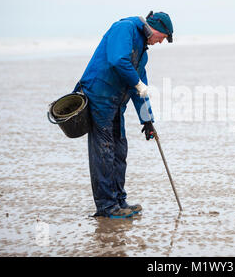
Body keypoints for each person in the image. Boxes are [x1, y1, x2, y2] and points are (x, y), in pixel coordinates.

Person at [73, 11, 174, 218]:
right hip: (98, 97)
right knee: (105, 152)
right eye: (162, 38)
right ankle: (106, 207)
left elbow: (140, 88)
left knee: (120, 151)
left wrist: (147, 121)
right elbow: (118, 60)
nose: (160, 43)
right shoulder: (125, 28)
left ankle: (119, 201)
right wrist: (136, 82)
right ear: (156, 29)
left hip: (116, 104)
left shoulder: (142, 53)